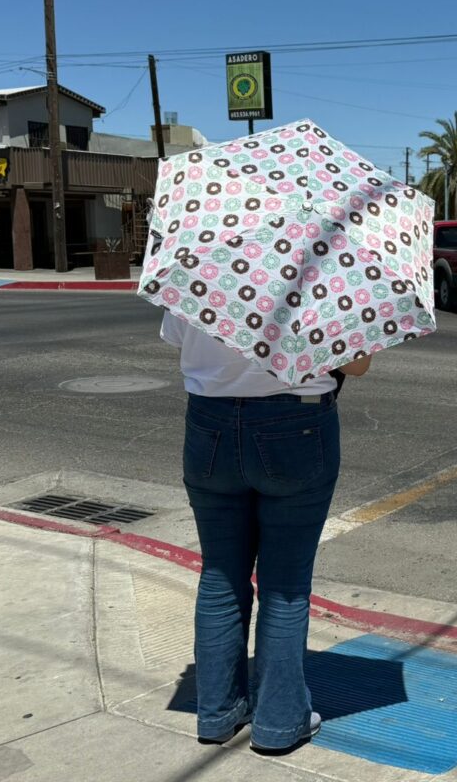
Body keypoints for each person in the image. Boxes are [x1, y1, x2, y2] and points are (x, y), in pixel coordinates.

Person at [160, 311, 371, 753]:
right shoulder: (321, 268)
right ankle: (280, 720)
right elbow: (356, 363)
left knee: (220, 574)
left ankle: (218, 713)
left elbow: (176, 336)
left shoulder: (204, 255)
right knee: (285, 585)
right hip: (296, 421)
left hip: (209, 421)